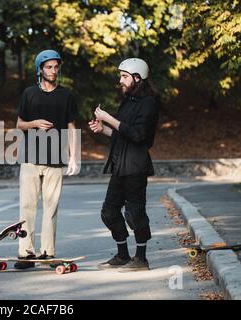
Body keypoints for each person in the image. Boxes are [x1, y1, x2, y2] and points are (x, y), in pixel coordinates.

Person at [88, 58, 159, 271]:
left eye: (124, 76)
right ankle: (122, 255)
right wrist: (104, 130)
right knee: (109, 211)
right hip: (120, 163)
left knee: (134, 212)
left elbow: (138, 135)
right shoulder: (128, 100)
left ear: (137, 78)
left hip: (136, 165)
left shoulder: (149, 103)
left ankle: (141, 259)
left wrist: (108, 118)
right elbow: (122, 133)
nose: (120, 80)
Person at [14, 50, 79, 269]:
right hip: (30, 158)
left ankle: (47, 253)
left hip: (57, 159)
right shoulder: (29, 93)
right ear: (40, 69)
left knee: (51, 208)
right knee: (27, 206)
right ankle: (26, 253)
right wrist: (35, 123)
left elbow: (71, 127)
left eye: (56, 67)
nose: (53, 71)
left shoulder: (66, 96)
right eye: (49, 67)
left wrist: (73, 157)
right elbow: (19, 124)